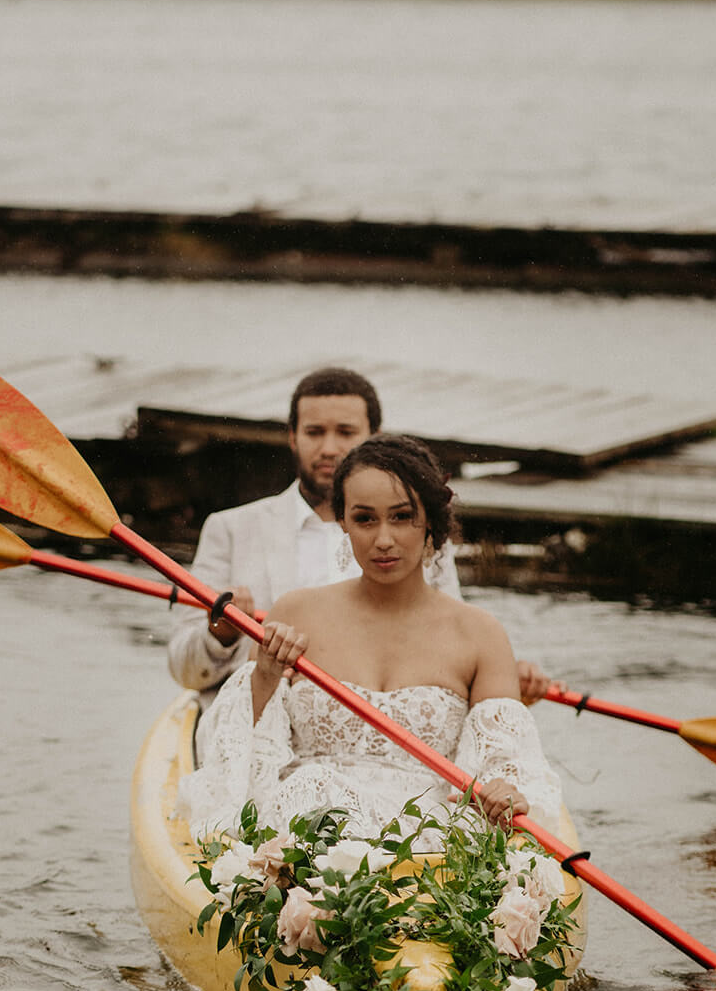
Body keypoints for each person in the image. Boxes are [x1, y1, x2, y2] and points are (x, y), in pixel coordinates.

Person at [177, 436, 563, 851]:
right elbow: (233, 759)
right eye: (365, 519)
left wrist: (503, 790)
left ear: (430, 521)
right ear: (341, 522)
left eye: (401, 518)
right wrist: (266, 675)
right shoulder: (294, 612)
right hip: (307, 837)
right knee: (312, 788)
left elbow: (504, 762)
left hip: (431, 844)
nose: (383, 539)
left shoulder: (481, 633)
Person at [166, 365, 549, 704]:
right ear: (292, 437)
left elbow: (453, 650)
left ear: (374, 436)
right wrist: (222, 636)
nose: (329, 448)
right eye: (315, 432)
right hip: (261, 720)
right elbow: (184, 671)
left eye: (345, 432)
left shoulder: (420, 539)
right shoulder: (230, 529)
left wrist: (500, 680)